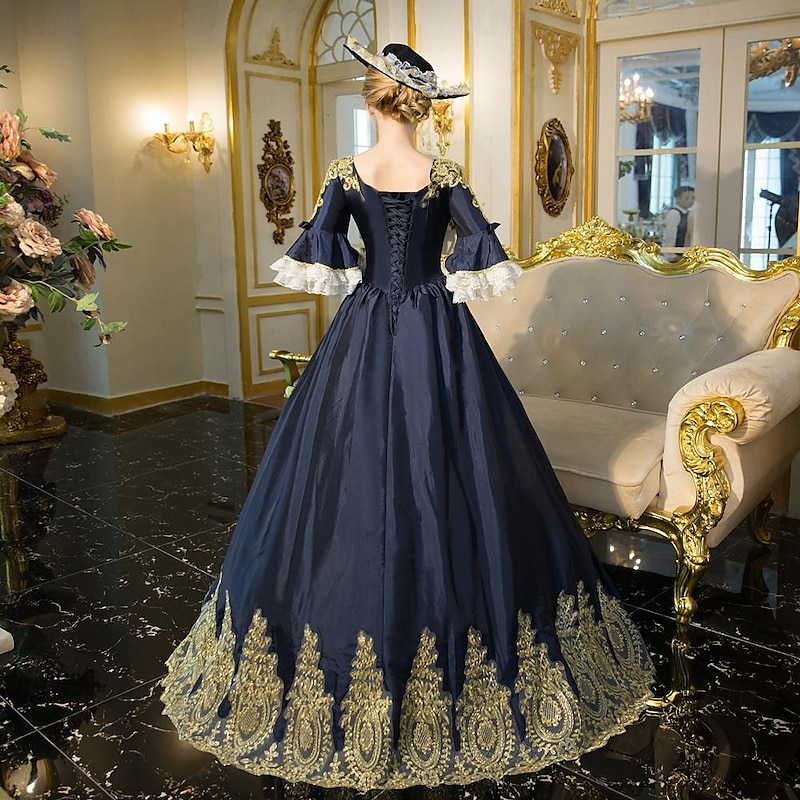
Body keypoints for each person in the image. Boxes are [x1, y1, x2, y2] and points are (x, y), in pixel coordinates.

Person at [161, 36, 654, 791]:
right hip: (437, 330)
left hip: (365, 326)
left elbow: (324, 255)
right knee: (454, 465)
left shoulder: (346, 173)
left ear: (372, 101)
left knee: (342, 470)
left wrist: (376, 275)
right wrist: (435, 271)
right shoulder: (443, 174)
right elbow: (480, 251)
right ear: (421, 108)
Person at [663, 185, 694, 257]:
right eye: (687, 198)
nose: (690, 201)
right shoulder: (674, 213)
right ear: (677, 199)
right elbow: (670, 236)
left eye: (693, 198)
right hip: (676, 256)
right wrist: (671, 255)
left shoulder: (689, 213)